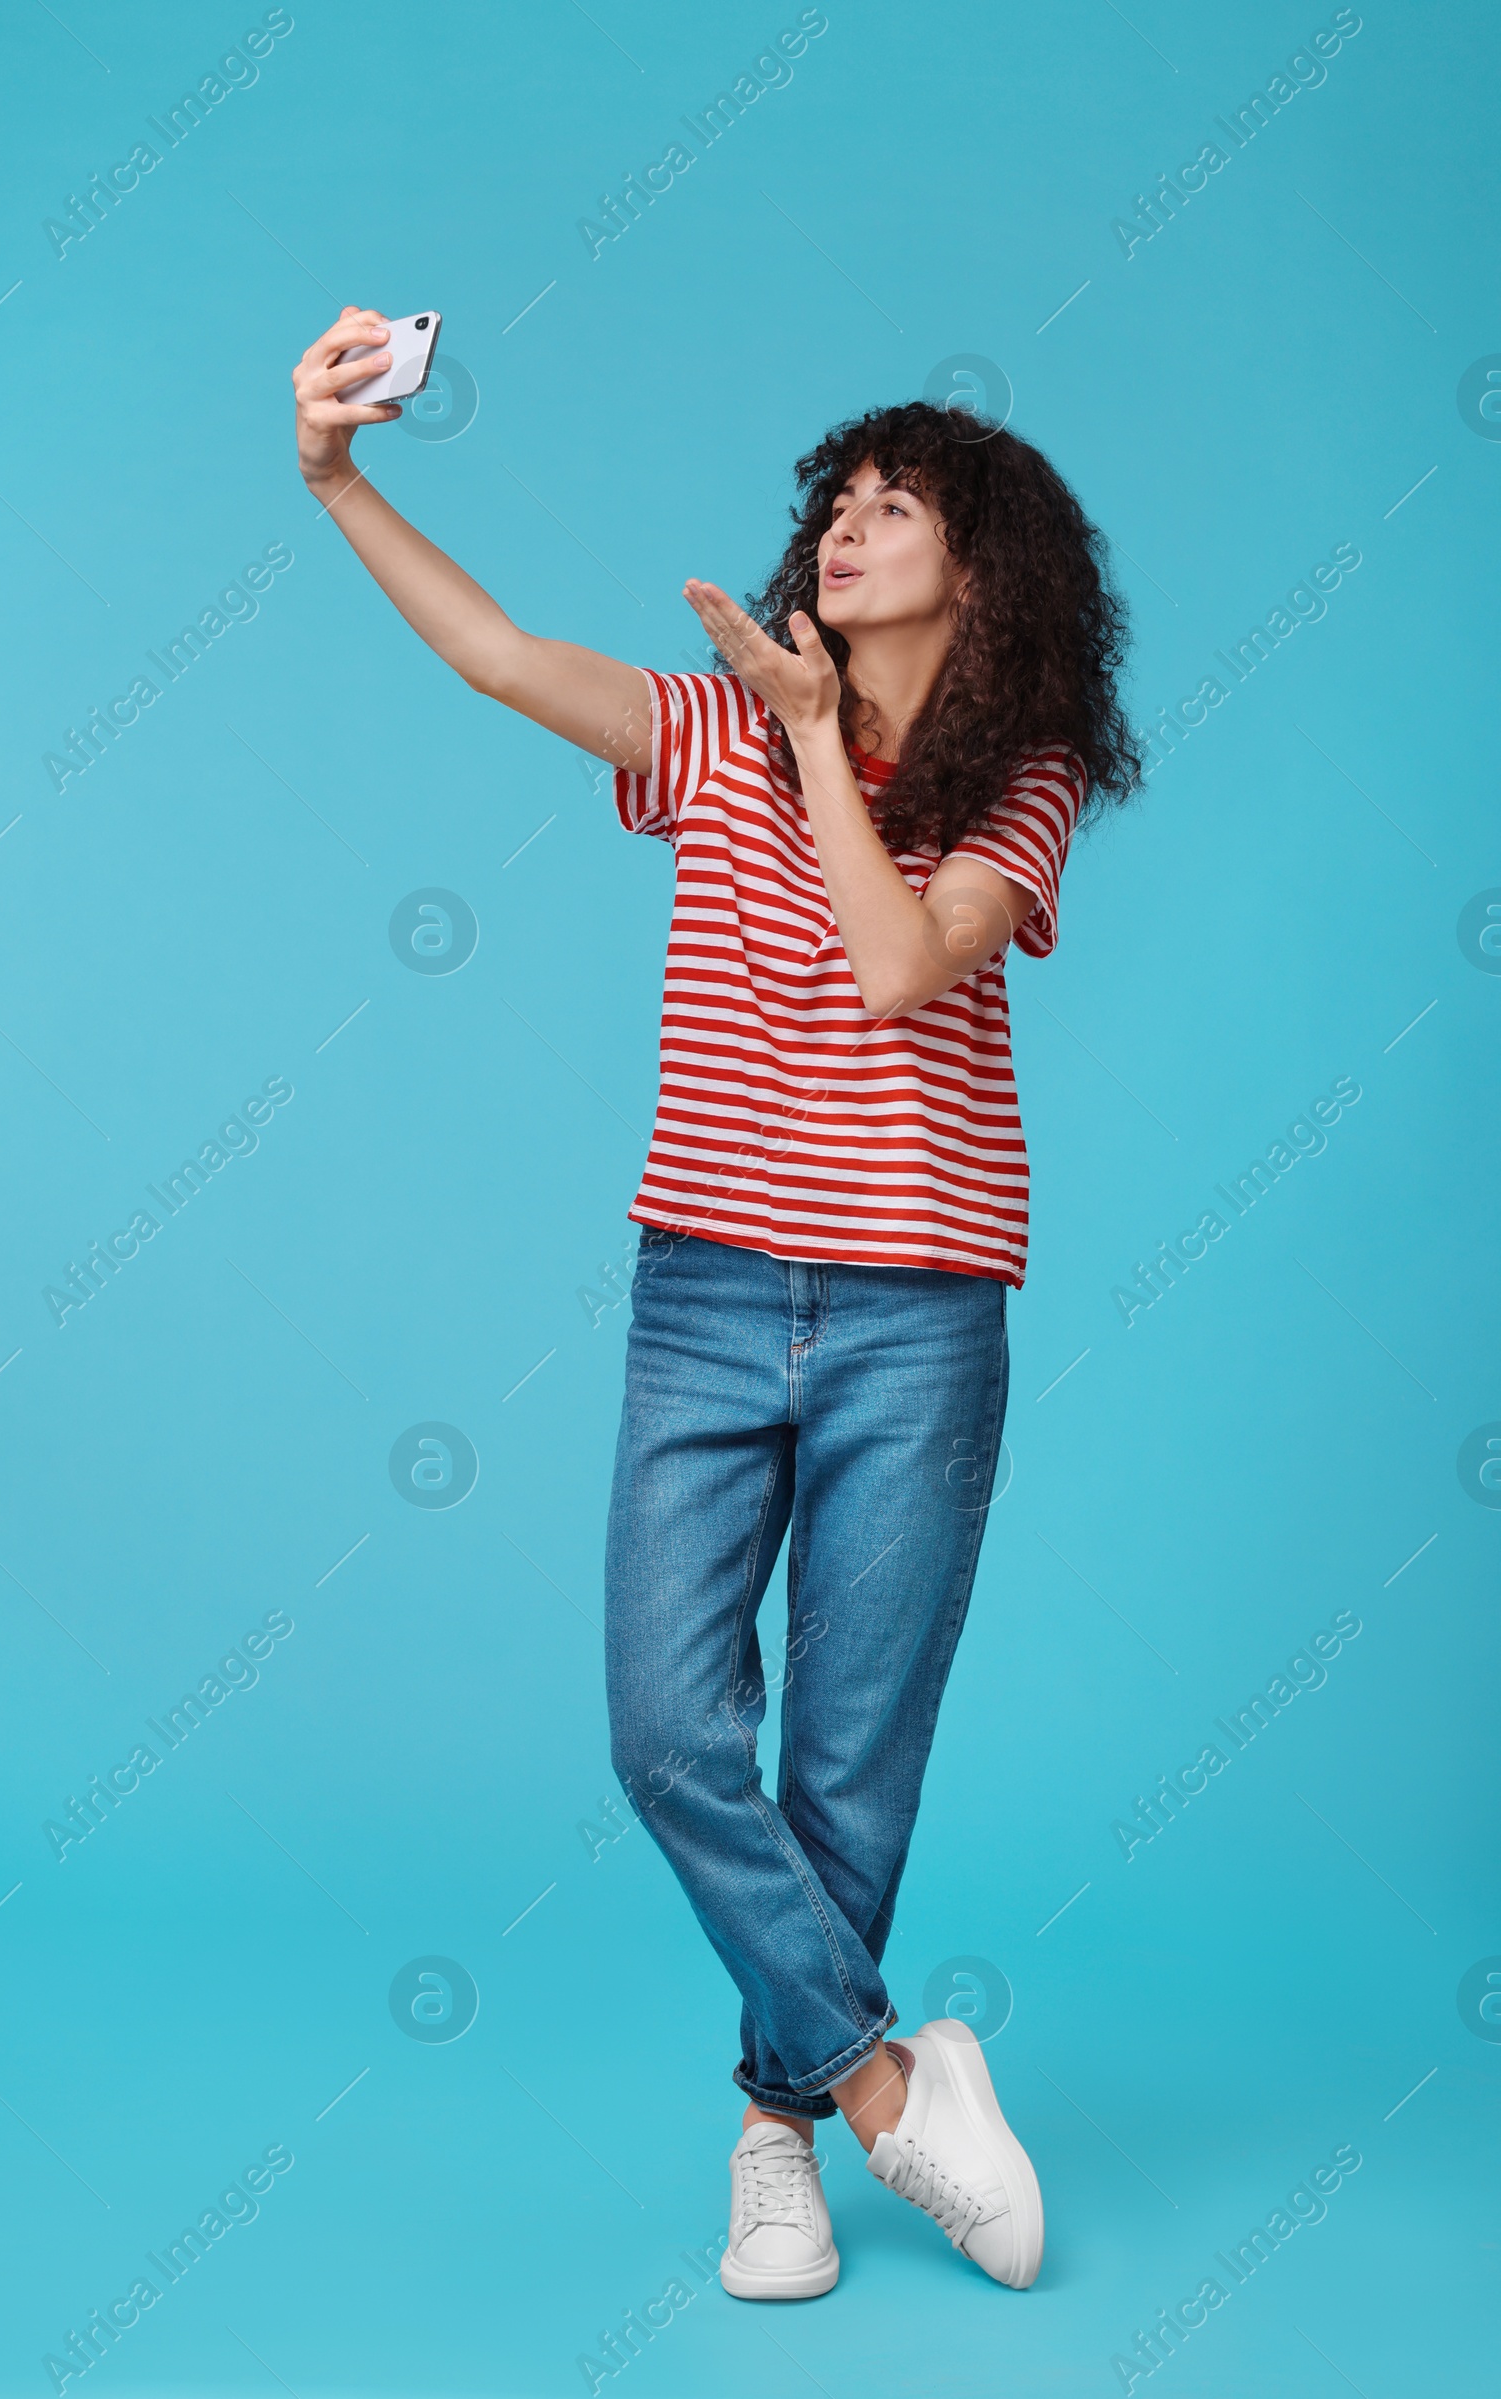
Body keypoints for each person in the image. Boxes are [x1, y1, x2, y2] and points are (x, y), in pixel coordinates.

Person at [293, 312, 1140, 2299]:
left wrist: (812, 743)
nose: (843, 525)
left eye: (894, 504)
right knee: (671, 1732)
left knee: (848, 1765)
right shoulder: (700, 728)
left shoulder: (1016, 779)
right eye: (831, 500)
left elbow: (892, 970)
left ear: (980, 565)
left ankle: (769, 2139)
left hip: (917, 1315)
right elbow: (505, 656)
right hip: (703, 1290)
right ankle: (877, 2092)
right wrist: (337, 476)